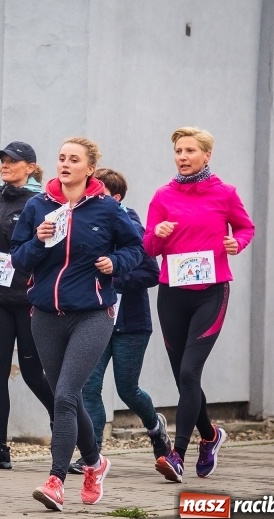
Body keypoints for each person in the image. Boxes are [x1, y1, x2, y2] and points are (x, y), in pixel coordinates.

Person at [10, 137, 143, 510]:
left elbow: (136, 248)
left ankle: (55, 480)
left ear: (89, 168)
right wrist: (38, 241)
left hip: (92, 315)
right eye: (61, 158)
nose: (65, 164)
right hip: (46, 317)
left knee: (67, 395)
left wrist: (115, 264)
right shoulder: (38, 207)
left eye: (74, 160)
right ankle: (96, 464)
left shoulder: (106, 210)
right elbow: (19, 259)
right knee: (63, 398)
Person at [144, 127, 255, 483]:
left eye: (190, 150)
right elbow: (148, 248)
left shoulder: (225, 194)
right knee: (183, 377)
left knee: (190, 373)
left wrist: (236, 243)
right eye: (179, 150)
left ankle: (176, 455)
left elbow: (245, 228)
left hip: (211, 291)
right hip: (172, 292)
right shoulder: (163, 195)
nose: (183, 156)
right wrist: (156, 235)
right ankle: (210, 435)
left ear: (206, 155)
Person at [68, 168, 170, 475]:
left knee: (128, 389)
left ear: (116, 199)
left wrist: (114, 277)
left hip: (131, 325)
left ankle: (155, 429)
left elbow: (152, 273)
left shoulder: (132, 227)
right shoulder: (84, 226)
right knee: (89, 388)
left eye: (97, 193)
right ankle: (92, 455)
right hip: (95, 321)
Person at [0, 142, 54, 470]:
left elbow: (45, 247)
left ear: (30, 166)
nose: (5, 164)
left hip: (29, 300)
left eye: (12, 161)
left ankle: (64, 421)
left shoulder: (41, 202)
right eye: (2, 159)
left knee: (32, 373)